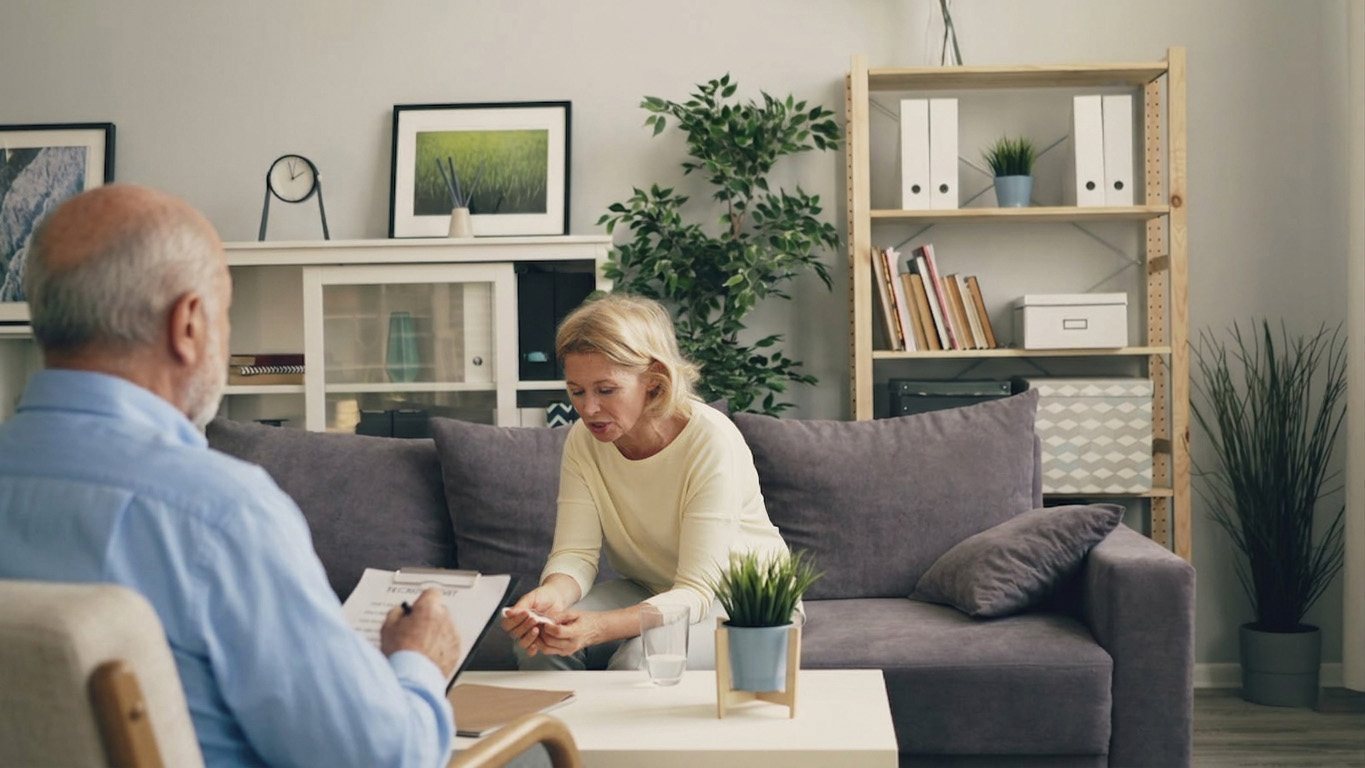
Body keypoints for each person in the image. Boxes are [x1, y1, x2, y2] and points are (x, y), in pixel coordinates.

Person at [0, 185, 462, 767]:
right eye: (226, 313)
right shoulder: (218, 514)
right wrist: (421, 660)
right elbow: (383, 759)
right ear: (189, 324)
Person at [500, 293, 791, 671]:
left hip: (745, 602)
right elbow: (576, 555)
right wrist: (550, 597)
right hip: (651, 589)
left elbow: (698, 590)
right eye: (577, 391)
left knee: (642, 661)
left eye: (606, 390)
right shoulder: (583, 441)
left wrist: (597, 628)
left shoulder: (710, 440)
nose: (589, 409)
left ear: (653, 382)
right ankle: (559, 732)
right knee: (541, 641)